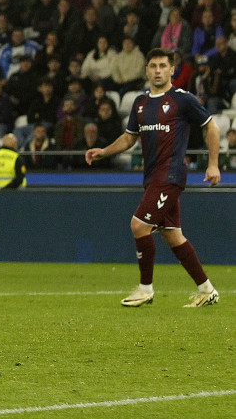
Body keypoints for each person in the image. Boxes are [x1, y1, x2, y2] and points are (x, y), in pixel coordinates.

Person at [85, 48, 220, 308]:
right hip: (152, 176)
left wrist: (213, 164)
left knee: (139, 226)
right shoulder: (140, 103)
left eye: (162, 66)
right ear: (146, 70)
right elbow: (128, 138)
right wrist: (104, 151)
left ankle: (145, 289)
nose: (157, 70)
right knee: (172, 235)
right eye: (153, 66)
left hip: (171, 175)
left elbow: (211, 127)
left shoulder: (183, 99)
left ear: (172, 70)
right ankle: (207, 290)